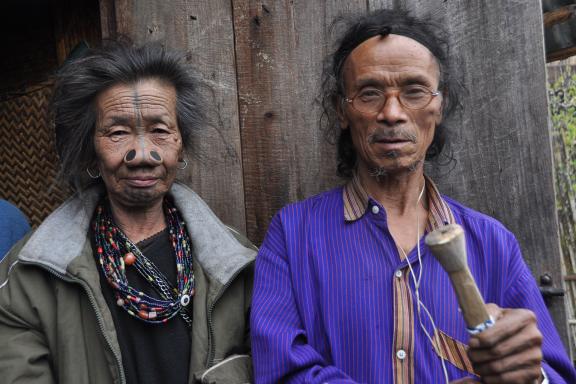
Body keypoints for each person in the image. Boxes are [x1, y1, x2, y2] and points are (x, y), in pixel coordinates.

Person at [250, 9, 576, 384]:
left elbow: (554, 375)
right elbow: (282, 371)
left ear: (439, 104)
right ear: (343, 109)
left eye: (414, 91)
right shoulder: (294, 235)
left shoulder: (492, 242)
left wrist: (532, 376)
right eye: (370, 93)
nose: (392, 113)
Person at [0, 43, 256, 384]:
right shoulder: (28, 279)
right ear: (91, 149)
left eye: (160, 131)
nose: (143, 153)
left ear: (181, 144)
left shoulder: (239, 267)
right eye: (118, 132)